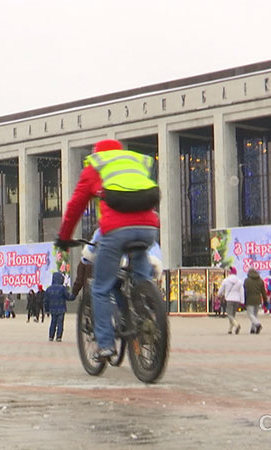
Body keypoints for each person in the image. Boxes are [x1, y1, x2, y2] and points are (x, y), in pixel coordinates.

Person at [56, 139, 160, 360]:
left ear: (97, 152)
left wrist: (64, 237)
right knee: (142, 280)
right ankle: (147, 318)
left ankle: (105, 345)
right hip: (148, 229)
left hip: (116, 232)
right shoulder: (135, 163)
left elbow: (76, 205)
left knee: (101, 288)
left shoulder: (96, 166)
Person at [44, 273, 73, 342]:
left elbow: (46, 301)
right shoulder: (62, 288)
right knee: (60, 323)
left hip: (52, 309)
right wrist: (73, 296)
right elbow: (68, 297)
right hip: (61, 308)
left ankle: (51, 336)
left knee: (53, 322)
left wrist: (47, 310)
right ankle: (58, 337)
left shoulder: (49, 289)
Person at [217, 267, 243, 334]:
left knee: (229, 314)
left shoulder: (226, 280)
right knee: (233, 315)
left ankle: (237, 325)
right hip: (237, 300)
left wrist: (218, 295)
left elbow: (221, 289)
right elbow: (242, 291)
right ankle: (230, 329)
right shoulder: (239, 281)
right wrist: (242, 301)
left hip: (229, 299)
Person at [243, 268, 267, 334]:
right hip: (258, 299)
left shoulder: (247, 281)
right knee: (255, 315)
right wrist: (265, 301)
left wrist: (244, 300)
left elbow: (245, 291)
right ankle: (253, 329)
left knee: (250, 314)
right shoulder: (261, 280)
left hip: (250, 299)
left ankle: (257, 324)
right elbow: (263, 292)